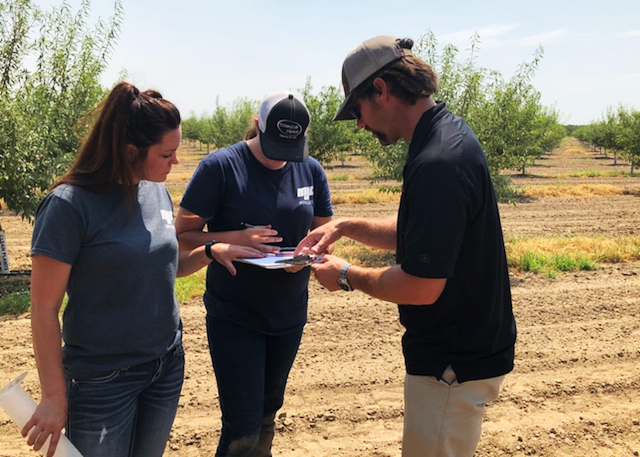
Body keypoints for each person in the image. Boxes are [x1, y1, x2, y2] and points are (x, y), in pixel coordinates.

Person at [296, 36, 517, 457]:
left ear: (380, 90)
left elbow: (421, 285)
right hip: (459, 354)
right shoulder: (445, 135)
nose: (359, 125)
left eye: (357, 110)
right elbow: (427, 234)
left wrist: (345, 275)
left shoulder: (438, 161)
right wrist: (345, 226)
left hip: (452, 364)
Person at [23, 82, 263, 457]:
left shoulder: (155, 191)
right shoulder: (69, 207)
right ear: (130, 151)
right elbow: (43, 309)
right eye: (167, 154)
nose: (176, 162)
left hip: (164, 366)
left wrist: (211, 251)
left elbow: (166, 267)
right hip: (102, 379)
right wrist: (54, 395)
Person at [174, 91, 333, 457]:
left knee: (267, 414)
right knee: (242, 425)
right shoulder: (220, 168)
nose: (281, 157)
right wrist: (233, 237)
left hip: (289, 314)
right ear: (258, 125)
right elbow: (182, 237)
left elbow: (326, 234)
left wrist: (308, 255)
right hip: (236, 316)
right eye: (274, 144)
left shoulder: (311, 169)